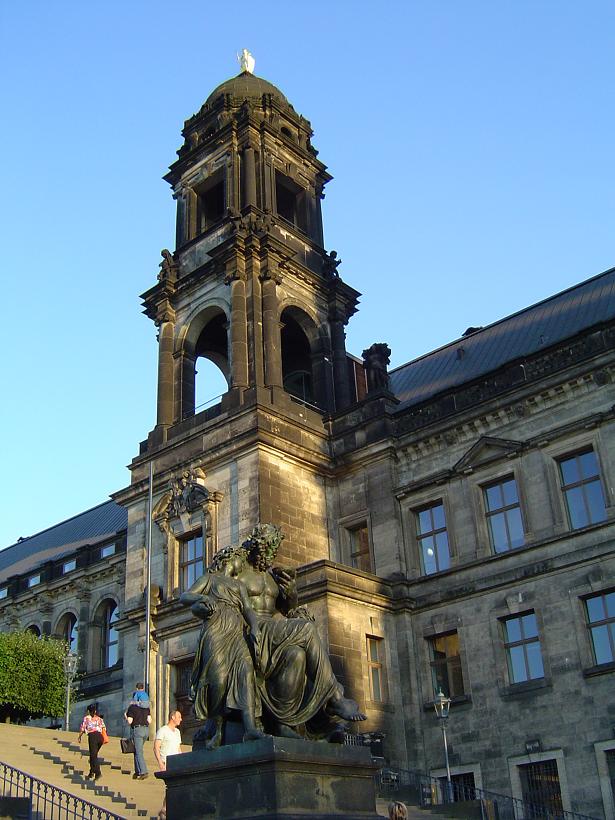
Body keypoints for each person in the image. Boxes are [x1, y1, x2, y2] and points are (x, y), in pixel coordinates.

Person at [234, 524, 366, 738]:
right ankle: (333, 696)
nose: (270, 557)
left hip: (274, 633)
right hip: (254, 631)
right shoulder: (239, 574)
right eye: (267, 551)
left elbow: (287, 609)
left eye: (273, 552)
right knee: (306, 628)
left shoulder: (271, 576)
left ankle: (284, 723)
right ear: (258, 547)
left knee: (296, 654)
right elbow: (227, 604)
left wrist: (291, 592)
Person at [179, 546, 268, 747]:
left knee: (246, 673)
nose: (242, 565)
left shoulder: (239, 586)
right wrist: (203, 597)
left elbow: (247, 609)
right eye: (240, 560)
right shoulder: (209, 579)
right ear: (230, 559)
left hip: (237, 632)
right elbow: (185, 596)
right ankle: (218, 731)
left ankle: (251, 729)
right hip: (215, 631)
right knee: (217, 681)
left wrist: (254, 627)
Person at [154, 710, 183, 820]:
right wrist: (160, 763)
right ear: (172, 717)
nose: (181, 719)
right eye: (179, 717)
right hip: (167, 762)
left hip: (176, 762)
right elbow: (156, 747)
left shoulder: (177, 732)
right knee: (171, 786)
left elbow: (178, 748)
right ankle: (165, 810)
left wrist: (182, 759)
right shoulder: (163, 730)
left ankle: (165, 809)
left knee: (176, 786)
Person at [125, 682, 152, 780]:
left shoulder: (132, 708)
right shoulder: (146, 708)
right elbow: (150, 720)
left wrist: (126, 716)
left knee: (139, 751)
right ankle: (137, 772)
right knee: (137, 750)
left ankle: (143, 771)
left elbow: (130, 721)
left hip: (138, 730)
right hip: (146, 730)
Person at [77, 703, 106, 781]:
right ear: (95, 711)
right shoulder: (100, 718)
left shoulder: (87, 718)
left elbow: (82, 728)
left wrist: (79, 736)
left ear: (89, 711)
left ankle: (98, 773)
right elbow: (104, 728)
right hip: (100, 737)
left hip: (92, 737)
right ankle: (91, 772)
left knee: (93, 756)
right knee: (93, 755)